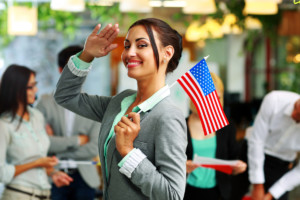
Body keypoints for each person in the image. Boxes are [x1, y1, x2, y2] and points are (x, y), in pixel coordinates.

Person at [54, 18, 187, 199]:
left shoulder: (168, 116)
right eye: (127, 46)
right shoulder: (120, 102)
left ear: (167, 53)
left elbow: (173, 195)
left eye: (141, 45)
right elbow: (66, 96)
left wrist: (128, 152)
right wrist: (86, 55)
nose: (129, 53)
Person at [36, 45, 102, 200]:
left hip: (85, 177)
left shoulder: (94, 103)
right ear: (61, 70)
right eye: (73, 67)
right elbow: (40, 143)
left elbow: (93, 148)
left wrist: (56, 149)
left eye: (84, 66)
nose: (80, 71)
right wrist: (78, 141)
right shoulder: (45, 104)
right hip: (53, 175)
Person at [0, 65, 72, 200]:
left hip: (45, 194)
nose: (36, 90)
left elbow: (39, 158)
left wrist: (53, 173)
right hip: (18, 195)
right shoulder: (4, 124)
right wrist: (37, 163)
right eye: (30, 87)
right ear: (16, 90)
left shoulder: (37, 116)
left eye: (35, 85)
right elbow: (2, 173)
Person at [184, 72, 247, 200]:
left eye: (218, 98)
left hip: (218, 193)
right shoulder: (180, 126)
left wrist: (239, 167)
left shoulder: (226, 127)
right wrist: (183, 168)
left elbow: (233, 160)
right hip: (186, 192)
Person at [248, 90, 300, 200]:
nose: (293, 114)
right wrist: (257, 185)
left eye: (299, 117)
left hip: (281, 166)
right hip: (252, 153)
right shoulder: (274, 99)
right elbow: (257, 141)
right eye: (296, 108)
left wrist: (272, 194)